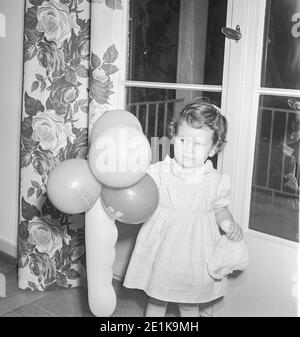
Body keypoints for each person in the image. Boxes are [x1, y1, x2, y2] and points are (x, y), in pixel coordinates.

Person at [123, 97, 243, 317]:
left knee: (189, 303)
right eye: (182, 141)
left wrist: (228, 223)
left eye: (197, 144)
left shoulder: (215, 180)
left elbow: (219, 209)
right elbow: (138, 193)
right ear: (173, 137)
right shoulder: (159, 172)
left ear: (214, 148)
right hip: (162, 248)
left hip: (195, 254)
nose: (188, 149)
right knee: (158, 299)